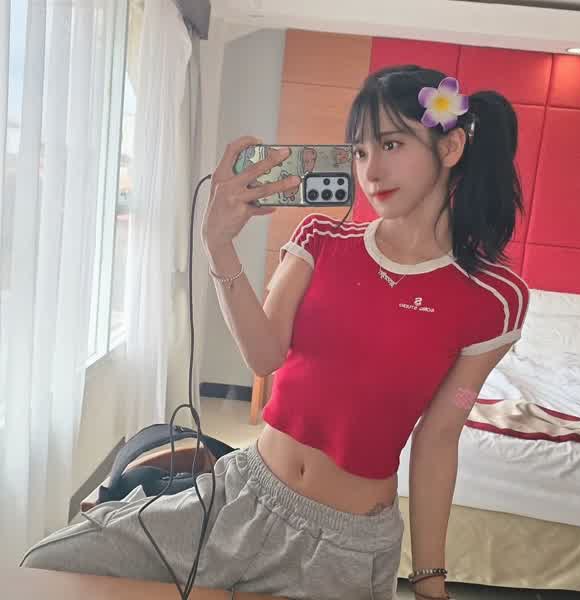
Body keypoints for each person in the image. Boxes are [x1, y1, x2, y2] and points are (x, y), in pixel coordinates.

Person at [21, 65, 530, 600]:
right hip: (241, 495)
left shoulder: (492, 297)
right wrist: (219, 246)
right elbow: (264, 355)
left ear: (449, 148)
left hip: (343, 548)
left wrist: (429, 581)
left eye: (391, 144)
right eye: (359, 152)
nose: (371, 170)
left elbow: (438, 438)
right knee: (48, 564)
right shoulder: (321, 237)